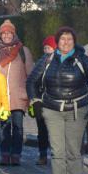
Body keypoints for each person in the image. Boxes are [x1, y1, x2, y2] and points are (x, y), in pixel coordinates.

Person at [26, 27, 88, 174]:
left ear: (74, 41)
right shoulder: (47, 59)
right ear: (57, 41)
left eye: (70, 39)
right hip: (52, 109)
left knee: (73, 151)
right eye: (63, 39)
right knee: (57, 151)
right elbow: (31, 81)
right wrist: (35, 100)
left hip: (77, 110)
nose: (66, 42)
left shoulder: (82, 59)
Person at [0, 20, 34, 166]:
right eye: (4, 33)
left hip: (19, 97)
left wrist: (31, 96)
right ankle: (5, 154)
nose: (6, 36)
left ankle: (16, 154)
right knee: (4, 127)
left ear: (13, 34)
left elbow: (31, 75)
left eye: (9, 33)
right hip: (2, 98)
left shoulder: (24, 51)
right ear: (0, 35)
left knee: (18, 127)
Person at [30, 36, 57, 166]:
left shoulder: (59, 62)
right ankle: (42, 155)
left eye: (49, 47)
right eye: (45, 47)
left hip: (55, 101)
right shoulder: (40, 62)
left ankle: (56, 156)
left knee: (54, 130)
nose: (47, 50)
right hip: (41, 99)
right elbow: (32, 81)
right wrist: (34, 98)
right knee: (42, 130)